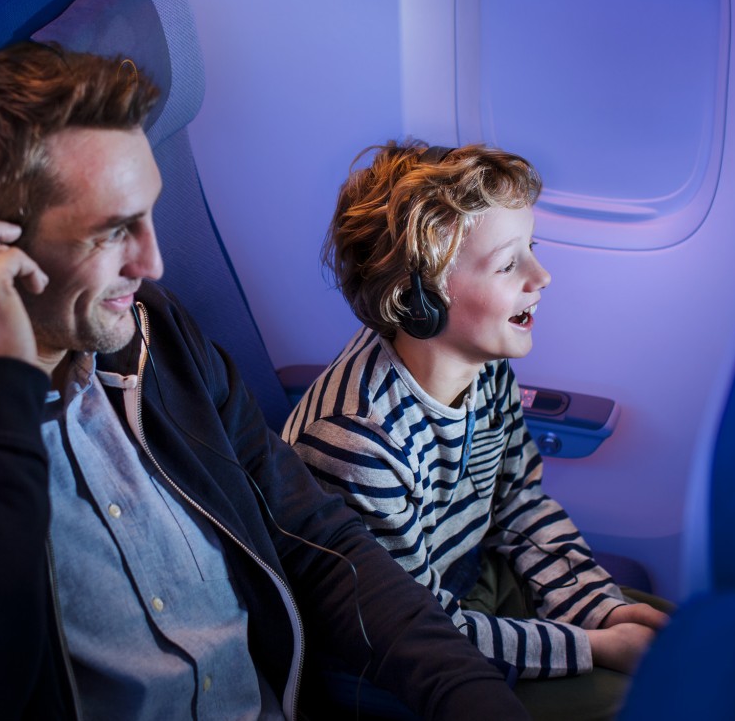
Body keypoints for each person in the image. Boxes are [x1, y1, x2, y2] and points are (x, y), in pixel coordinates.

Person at [0, 43, 530, 721]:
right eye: (112, 230)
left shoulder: (155, 335)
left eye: (149, 217)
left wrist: (467, 691)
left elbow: (315, 537)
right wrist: (0, 389)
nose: (152, 263)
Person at [282, 141, 670, 721]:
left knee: (682, 645)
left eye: (532, 249)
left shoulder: (481, 365)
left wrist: (598, 608)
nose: (542, 276)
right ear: (418, 300)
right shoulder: (358, 444)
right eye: (509, 264)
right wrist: (595, 647)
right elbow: (416, 632)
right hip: (398, 663)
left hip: (472, 581)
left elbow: (517, 500)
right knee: (651, 702)